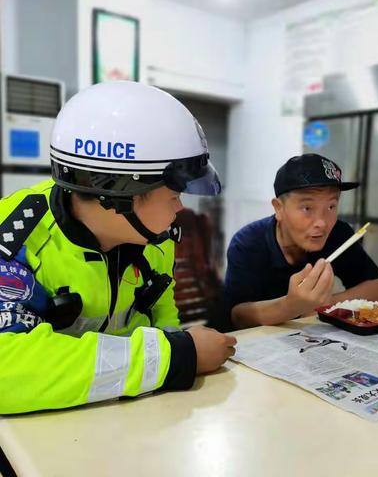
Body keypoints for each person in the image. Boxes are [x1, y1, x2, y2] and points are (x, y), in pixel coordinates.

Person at [0, 81, 236, 414]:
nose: (180, 207)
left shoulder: (153, 237)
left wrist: (175, 346)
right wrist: (177, 356)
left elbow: (161, 315)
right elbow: (5, 370)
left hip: (129, 415)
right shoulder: (14, 238)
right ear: (117, 194)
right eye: (174, 195)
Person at [225, 153, 378, 329]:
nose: (322, 223)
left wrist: (324, 303)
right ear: (279, 208)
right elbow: (238, 316)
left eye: (331, 206)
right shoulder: (248, 242)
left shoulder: (338, 233)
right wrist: (291, 305)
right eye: (307, 208)